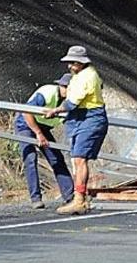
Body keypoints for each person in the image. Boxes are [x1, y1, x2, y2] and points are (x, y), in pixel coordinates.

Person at [44, 45, 108, 214]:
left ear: (81, 62)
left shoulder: (87, 77)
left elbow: (72, 103)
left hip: (89, 118)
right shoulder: (80, 75)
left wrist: (55, 110)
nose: (70, 66)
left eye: (73, 63)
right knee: (76, 159)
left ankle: (79, 199)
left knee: (80, 159)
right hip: (79, 118)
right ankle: (80, 196)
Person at [15, 73, 74, 209]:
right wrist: (38, 133)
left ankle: (69, 196)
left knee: (56, 159)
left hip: (43, 126)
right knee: (30, 158)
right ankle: (36, 198)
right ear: (63, 87)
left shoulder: (70, 102)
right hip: (26, 123)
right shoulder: (47, 93)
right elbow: (27, 112)